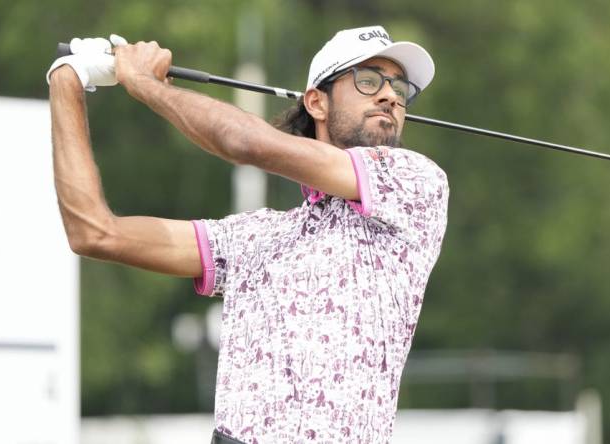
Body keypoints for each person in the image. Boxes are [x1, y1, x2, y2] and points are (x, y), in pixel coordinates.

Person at [47, 25, 448, 444]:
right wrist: (67, 79)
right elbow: (94, 232)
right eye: (368, 80)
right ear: (317, 102)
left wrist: (146, 84)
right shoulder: (256, 237)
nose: (390, 96)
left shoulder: (415, 183)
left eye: (399, 88)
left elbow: (246, 143)